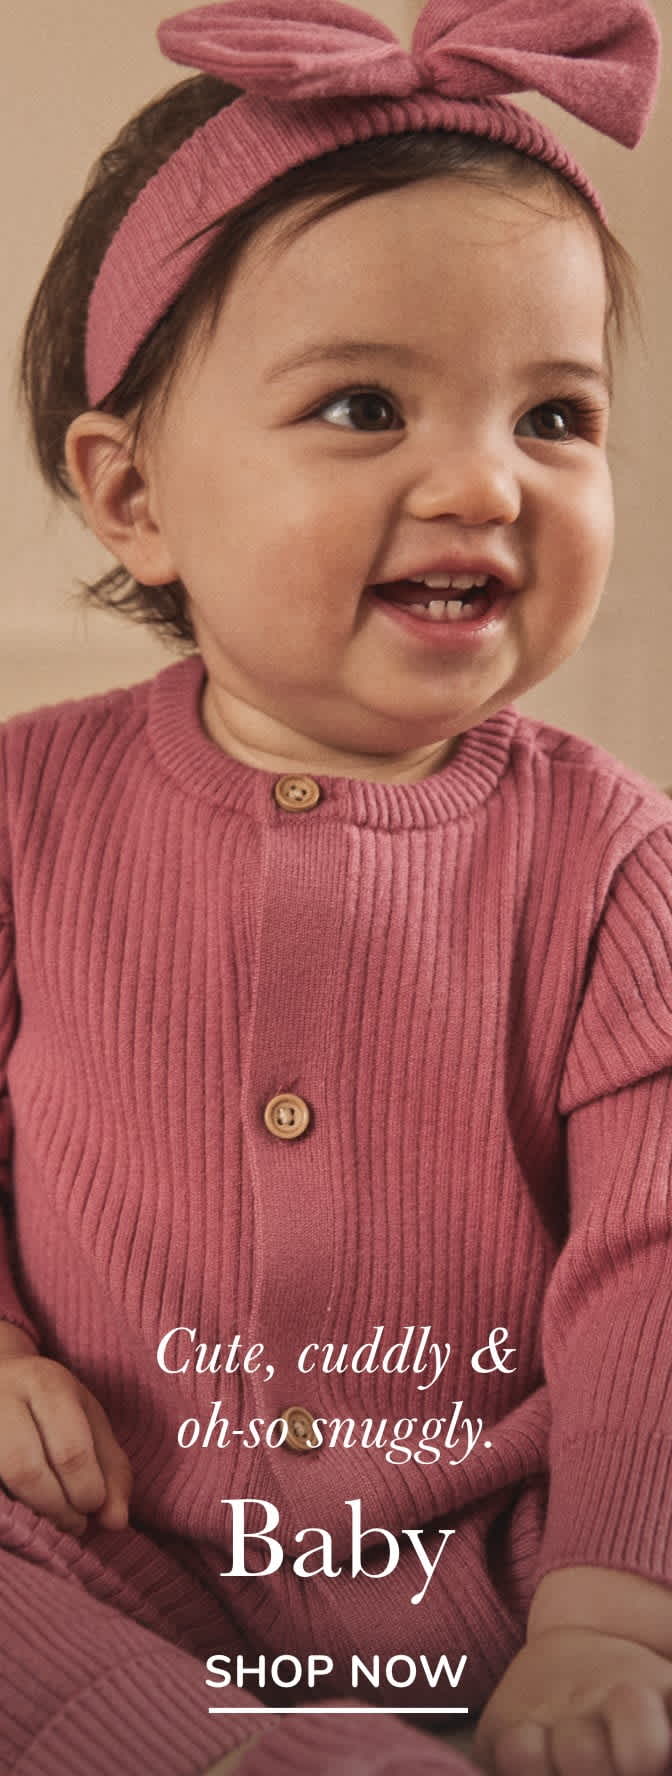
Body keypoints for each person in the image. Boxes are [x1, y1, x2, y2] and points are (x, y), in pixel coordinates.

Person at [1, 0, 671, 1771]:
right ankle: (192, 1741)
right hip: (121, 1545)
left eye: (556, 414)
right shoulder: (21, 813)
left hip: (506, 1557)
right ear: (133, 494)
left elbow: (654, 1264)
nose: (482, 483)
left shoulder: (619, 866)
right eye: (366, 406)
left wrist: (611, 1609)